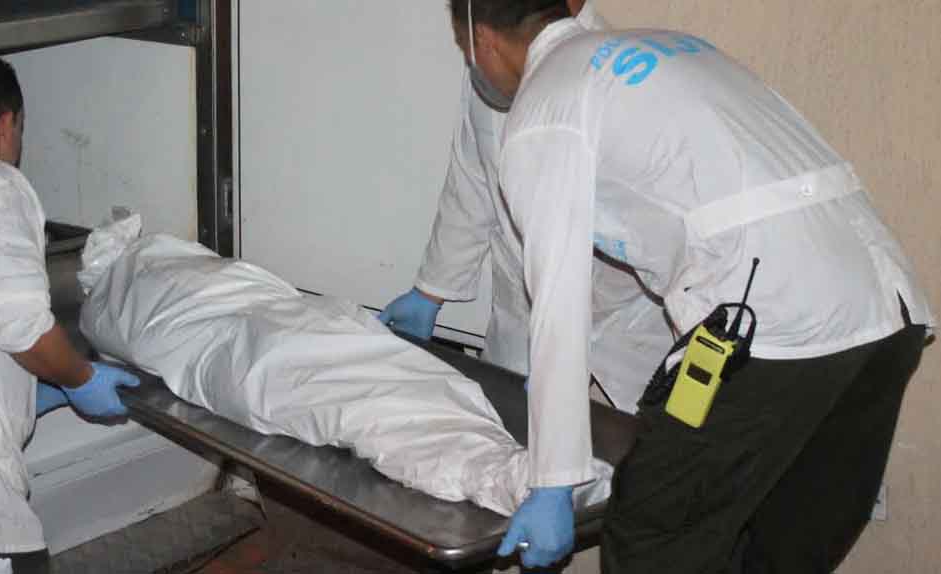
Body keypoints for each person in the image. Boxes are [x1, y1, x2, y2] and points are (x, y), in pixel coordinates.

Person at [445, 1, 936, 572]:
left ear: (482, 37)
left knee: (652, 530)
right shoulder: (669, 49)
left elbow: (558, 300)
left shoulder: (545, 112)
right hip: (886, 311)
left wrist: (552, 482)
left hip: (777, 328)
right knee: (784, 541)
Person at [380, 0, 674, 414]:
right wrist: (431, 290)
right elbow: (472, 177)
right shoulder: (495, 61)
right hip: (521, 322)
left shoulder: (605, 84)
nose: (473, 56)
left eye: (472, 44)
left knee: (611, 442)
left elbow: (627, 241)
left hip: (618, 333)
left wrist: (562, 348)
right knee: (501, 430)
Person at [0, 57, 141, 565]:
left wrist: (26, 394)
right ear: (5, 123)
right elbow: (22, 326)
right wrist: (80, 378)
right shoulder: (0, 186)